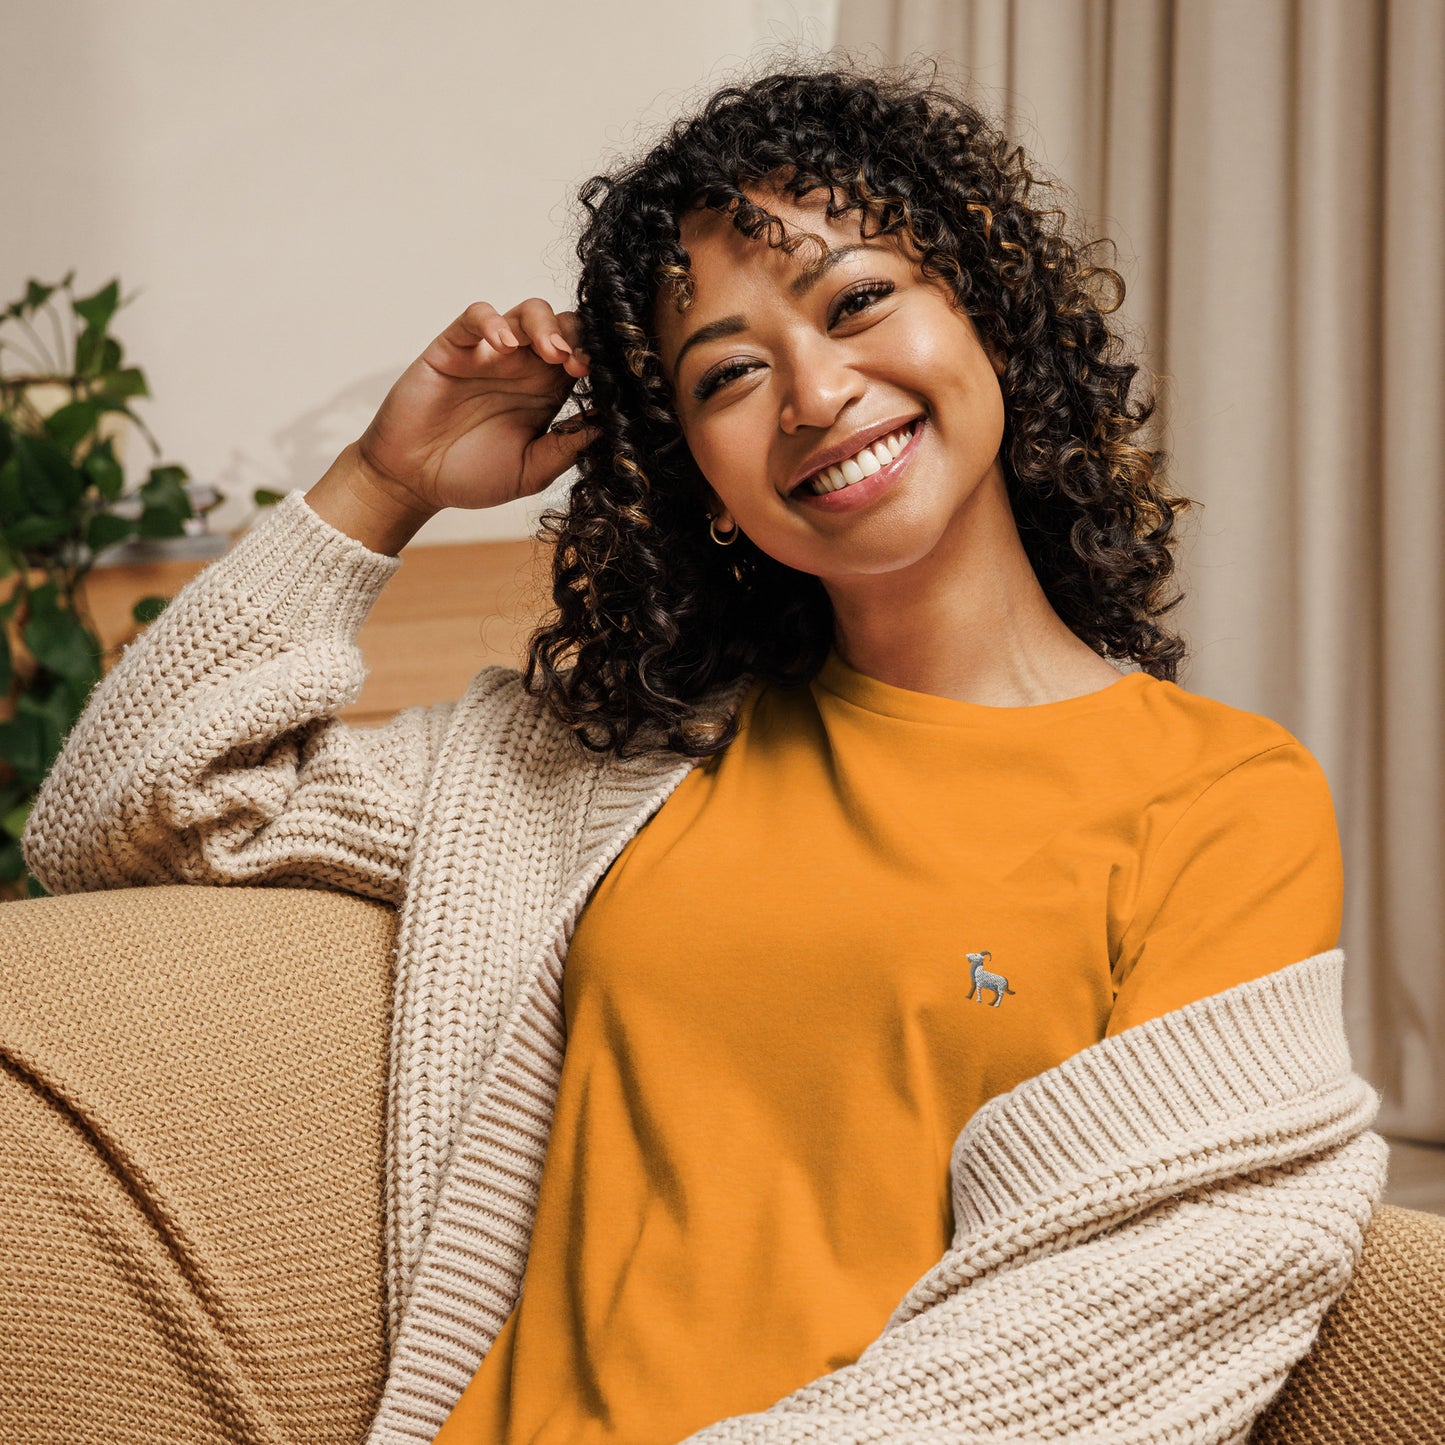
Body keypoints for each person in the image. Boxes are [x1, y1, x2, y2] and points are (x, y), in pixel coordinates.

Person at [16, 59, 1385, 1445]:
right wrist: (382, 484)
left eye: (858, 300)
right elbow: (127, 814)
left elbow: (1137, 1299)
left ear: (987, 315)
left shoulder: (1216, 795)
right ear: (704, 483)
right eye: (728, 372)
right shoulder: (608, 764)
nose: (811, 390)